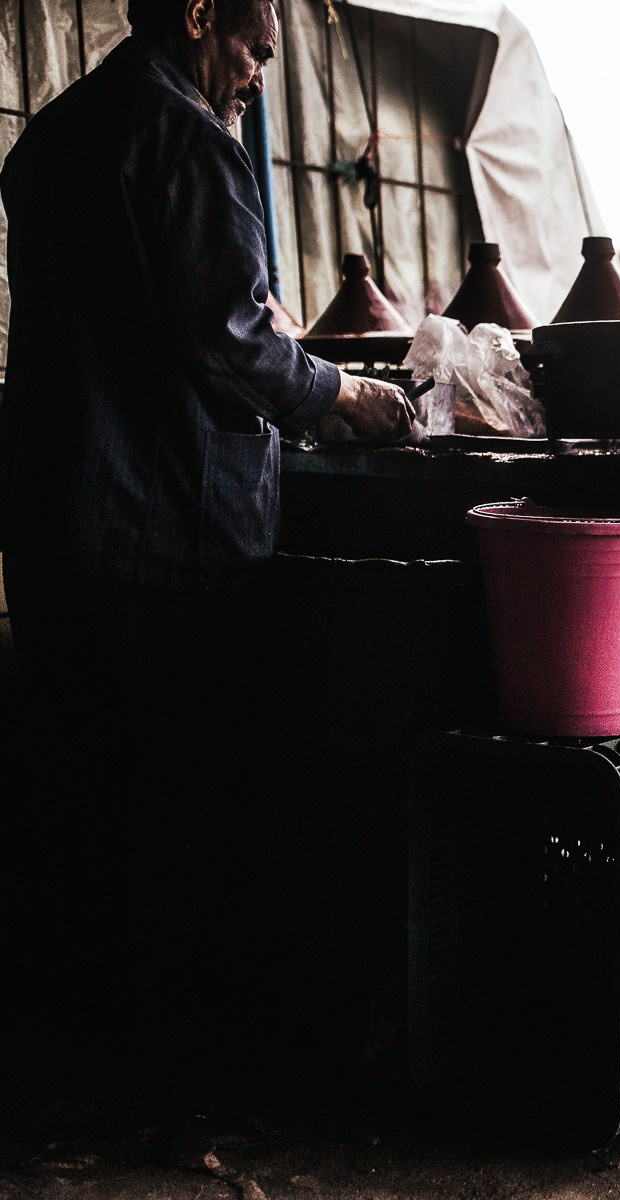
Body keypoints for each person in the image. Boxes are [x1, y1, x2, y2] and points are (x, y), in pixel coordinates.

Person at [0, 0, 414, 1063]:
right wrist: (342, 394)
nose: (260, 79)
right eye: (254, 51)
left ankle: (77, 1034)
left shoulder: (50, 137)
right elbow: (232, 339)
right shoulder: (188, 137)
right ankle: (163, 1049)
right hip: (164, 537)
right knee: (170, 802)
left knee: (75, 791)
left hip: (52, 523)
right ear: (196, 16)